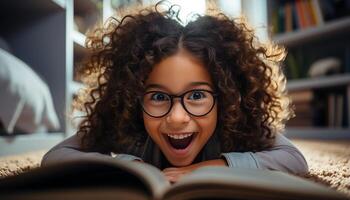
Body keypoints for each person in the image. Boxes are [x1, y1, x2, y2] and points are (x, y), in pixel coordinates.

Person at [42, 2, 308, 183]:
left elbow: (294, 159)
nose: (177, 118)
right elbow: (54, 157)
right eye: (158, 97)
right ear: (134, 97)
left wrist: (211, 168)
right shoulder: (126, 127)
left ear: (225, 99)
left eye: (196, 96)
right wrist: (127, 166)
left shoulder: (237, 128)